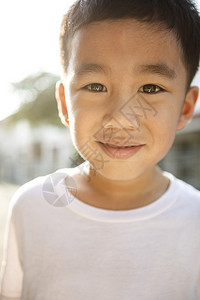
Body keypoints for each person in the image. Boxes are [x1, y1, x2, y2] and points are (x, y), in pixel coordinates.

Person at [1, 0, 200, 299]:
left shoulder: (195, 221)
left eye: (150, 89)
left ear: (185, 108)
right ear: (66, 104)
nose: (121, 118)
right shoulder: (30, 208)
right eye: (95, 86)